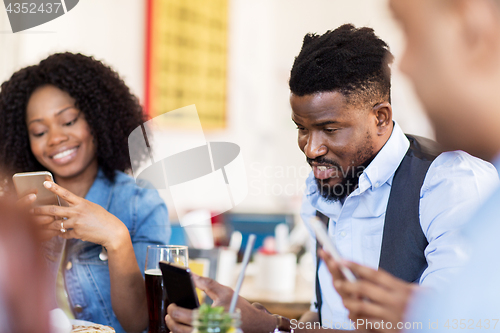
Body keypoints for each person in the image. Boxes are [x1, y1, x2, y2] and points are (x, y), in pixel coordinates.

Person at [166, 24, 499, 333]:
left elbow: (454, 325)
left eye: (329, 129)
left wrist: (270, 327)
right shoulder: (322, 188)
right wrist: (250, 322)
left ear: (380, 118)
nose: (311, 149)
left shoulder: (451, 182)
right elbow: (324, 317)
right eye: (302, 128)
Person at [320, 0, 500, 331]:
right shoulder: (330, 185)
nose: (403, 66)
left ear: (473, 26)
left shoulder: (454, 179)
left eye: (410, 31)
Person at [0, 52, 171, 333]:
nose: (55, 138)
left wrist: (116, 238)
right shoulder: (16, 212)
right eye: (39, 131)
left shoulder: (140, 203)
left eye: (68, 121)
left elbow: (141, 323)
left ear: (98, 118)